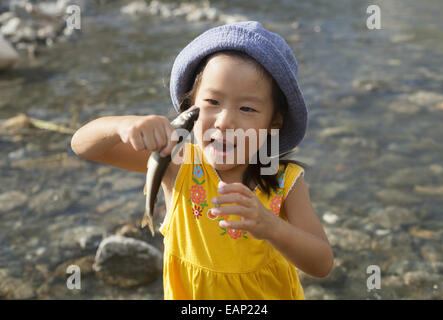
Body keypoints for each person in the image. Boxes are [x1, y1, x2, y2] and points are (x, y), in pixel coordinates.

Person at [71, 21, 333, 300]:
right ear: (190, 106)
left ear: (274, 121)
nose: (224, 122)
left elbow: (322, 264)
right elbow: (83, 146)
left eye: (247, 108)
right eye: (212, 102)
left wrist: (272, 227)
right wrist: (121, 126)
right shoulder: (178, 163)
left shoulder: (284, 181)